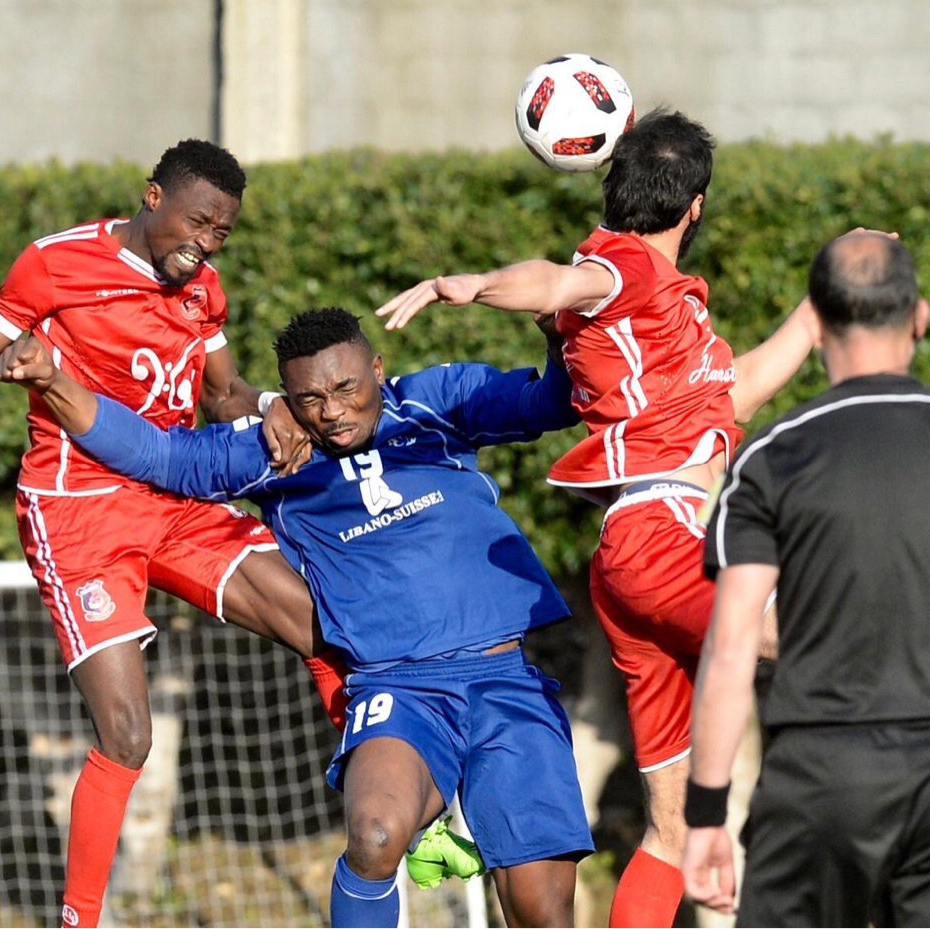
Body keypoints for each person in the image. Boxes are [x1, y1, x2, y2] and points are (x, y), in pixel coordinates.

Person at [0, 307, 596, 928]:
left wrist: (561, 342)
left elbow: (551, 404)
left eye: (345, 389)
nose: (332, 412)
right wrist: (53, 381)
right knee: (373, 836)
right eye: (310, 398)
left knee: (541, 913)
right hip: (398, 689)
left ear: (378, 370)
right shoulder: (274, 451)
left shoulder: (435, 403)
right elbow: (157, 455)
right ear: (287, 399)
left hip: (504, 678)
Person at [375, 108, 818, 927]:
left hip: (633, 552)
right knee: (828, 632)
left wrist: (817, 311)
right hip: (665, 538)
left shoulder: (662, 325)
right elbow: (557, 280)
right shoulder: (625, 270)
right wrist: (468, 286)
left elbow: (740, 386)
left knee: (673, 826)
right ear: (696, 207)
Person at [0, 139, 352, 929]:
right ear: (152, 197)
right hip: (78, 506)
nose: (206, 245)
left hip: (175, 495)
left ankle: (383, 806)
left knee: (327, 625)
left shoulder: (206, 290)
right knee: (126, 735)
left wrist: (277, 410)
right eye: (197, 222)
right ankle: (80, 920)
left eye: (223, 232)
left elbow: (224, 393)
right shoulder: (54, 264)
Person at [683, 232, 930, 926]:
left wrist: (706, 813)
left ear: (814, 322)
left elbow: (731, 648)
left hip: (821, 773)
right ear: (919, 317)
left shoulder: (771, 455)